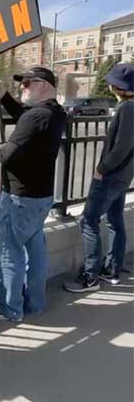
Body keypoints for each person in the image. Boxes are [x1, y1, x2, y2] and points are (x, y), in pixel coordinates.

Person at [0, 67, 67, 322]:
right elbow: (24, 117)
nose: (23, 87)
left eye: (27, 83)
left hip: (19, 198)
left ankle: (10, 308)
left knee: (9, 253)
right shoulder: (55, 113)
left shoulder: (36, 117)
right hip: (41, 197)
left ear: (43, 86)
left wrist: (1, 148)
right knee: (36, 250)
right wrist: (4, 95)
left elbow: (8, 154)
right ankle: (36, 302)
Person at [65, 63, 134, 292]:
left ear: (119, 86)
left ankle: (90, 276)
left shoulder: (127, 109)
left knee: (89, 221)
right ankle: (112, 270)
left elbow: (122, 146)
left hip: (111, 176)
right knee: (115, 221)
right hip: (123, 176)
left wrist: (101, 169)